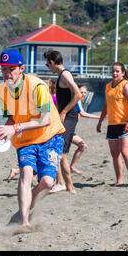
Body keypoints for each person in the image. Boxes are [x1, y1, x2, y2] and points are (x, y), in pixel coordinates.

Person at [0, 49, 65, 229]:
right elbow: (12, 117)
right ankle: (24, 221)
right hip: (26, 139)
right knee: (25, 173)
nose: (7, 73)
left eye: (11, 69)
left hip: (50, 136)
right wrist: (2, 132)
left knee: (47, 183)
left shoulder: (37, 86)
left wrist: (14, 128)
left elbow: (45, 119)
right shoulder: (1, 90)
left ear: (21, 69)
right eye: (4, 69)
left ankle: (20, 213)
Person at [44, 50, 82, 194]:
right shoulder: (61, 75)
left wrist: (64, 112)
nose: (49, 68)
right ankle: (64, 185)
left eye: (48, 65)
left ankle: (66, 185)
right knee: (58, 150)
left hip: (70, 117)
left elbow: (78, 94)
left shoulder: (65, 74)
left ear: (52, 62)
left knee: (60, 153)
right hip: (64, 117)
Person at [96, 62, 128, 188]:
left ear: (123, 73)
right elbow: (106, 106)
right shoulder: (108, 86)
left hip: (126, 123)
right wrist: (100, 122)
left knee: (125, 152)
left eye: (117, 71)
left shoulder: (126, 86)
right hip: (112, 124)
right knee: (115, 154)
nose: (114, 73)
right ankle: (119, 180)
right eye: (113, 71)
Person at [67, 85, 100, 176]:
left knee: (82, 146)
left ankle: (72, 167)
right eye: (81, 92)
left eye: (85, 92)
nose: (83, 94)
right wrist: (99, 117)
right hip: (65, 130)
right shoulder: (75, 99)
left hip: (70, 130)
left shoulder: (79, 100)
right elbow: (82, 113)